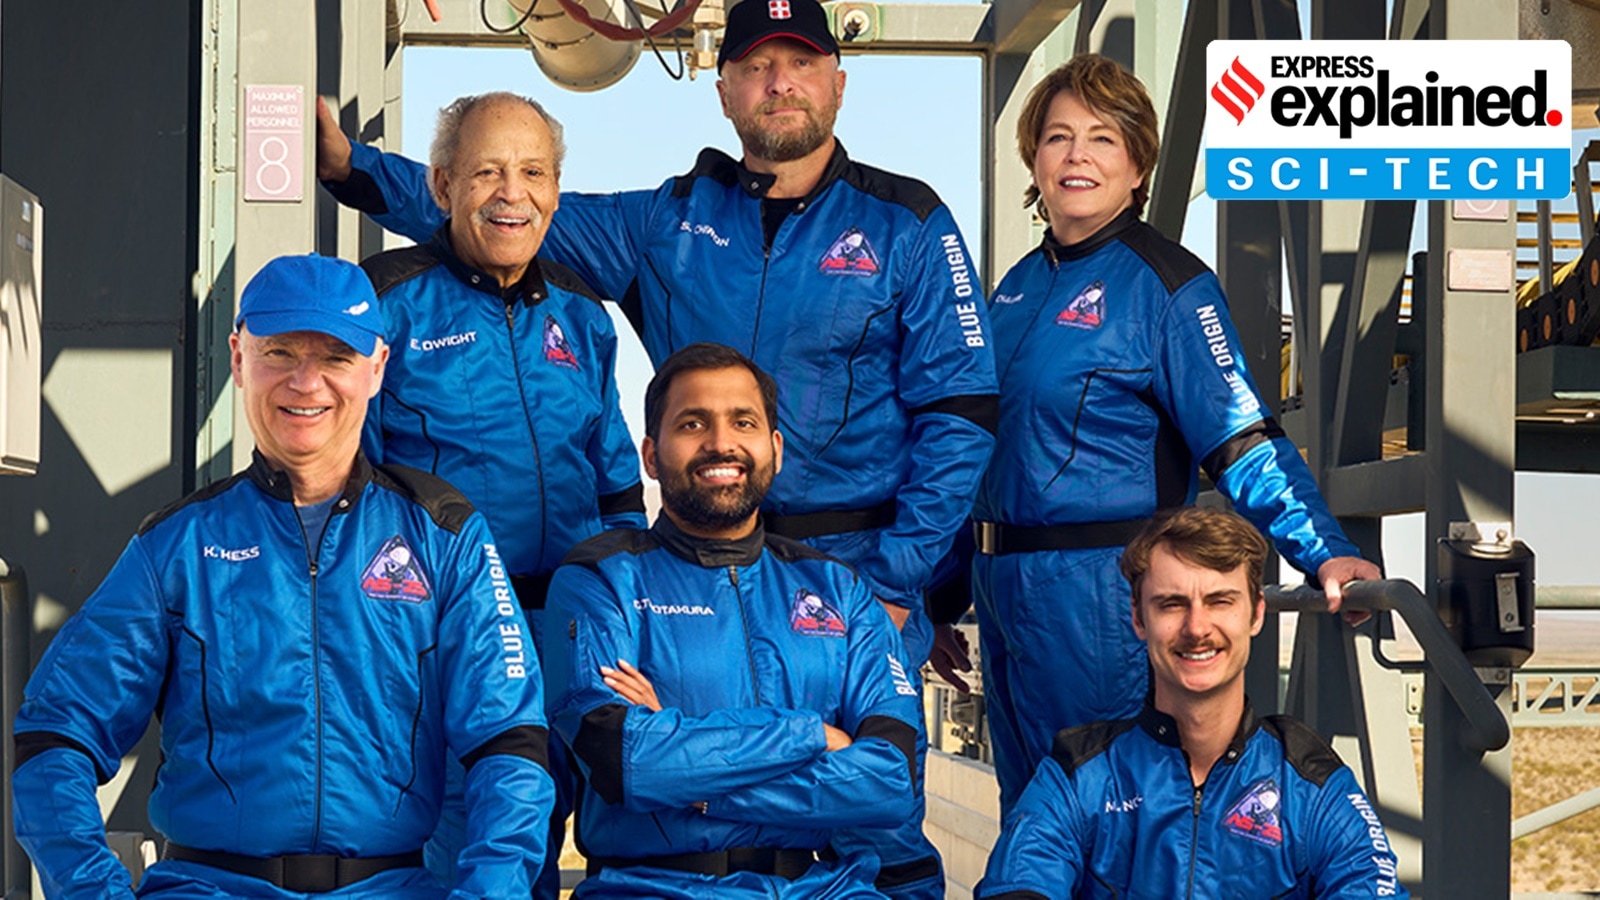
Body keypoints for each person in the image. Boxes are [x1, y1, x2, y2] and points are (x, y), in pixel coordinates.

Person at [316, 2, 996, 891]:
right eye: (756, 65)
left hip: (852, 576)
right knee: (656, 796)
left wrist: (904, 582)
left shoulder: (910, 223)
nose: (779, 82)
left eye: (800, 62)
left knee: (879, 837)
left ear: (838, 81)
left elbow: (965, 411)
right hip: (683, 572)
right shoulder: (666, 223)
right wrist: (356, 170)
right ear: (722, 91)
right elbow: (505, 213)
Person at [11, 254, 554, 897]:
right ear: (239, 359)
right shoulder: (177, 545)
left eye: (335, 358)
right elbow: (55, 735)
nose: (306, 383)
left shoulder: (447, 537)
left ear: (377, 368)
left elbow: (510, 747)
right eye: (281, 353)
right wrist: (96, 891)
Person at [969, 53, 1382, 816]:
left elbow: (1242, 440)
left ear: (1138, 163)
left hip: (1095, 597)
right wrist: (937, 598)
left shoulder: (1168, 287)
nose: (1077, 157)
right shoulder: (1016, 286)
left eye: (1101, 138)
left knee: (1106, 818)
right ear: (1033, 157)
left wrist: (1324, 551)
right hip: (1001, 593)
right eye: (1058, 138)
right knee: (1030, 824)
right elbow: (981, 452)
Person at [356, 90, 646, 896]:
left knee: (553, 820)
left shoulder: (583, 313)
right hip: (447, 632)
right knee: (469, 839)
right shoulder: (386, 303)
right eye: (486, 172)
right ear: (443, 188)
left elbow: (616, 477)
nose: (511, 193)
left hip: (570, 627)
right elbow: (350, 488)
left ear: (556, 189)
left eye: (532, 172)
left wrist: (629, 615)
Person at [543, 342, 922, 898]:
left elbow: (889, 782)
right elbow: (625, 764)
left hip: (824, 887)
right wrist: (811, 734)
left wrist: (693, 778)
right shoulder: (599, 581)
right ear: (651, 455)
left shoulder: (838, 588)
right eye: (693, 423)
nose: (721, 443)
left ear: (775, 448)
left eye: (742, 422)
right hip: (652, 889)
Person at [976, 507, 1408, 899]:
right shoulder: (1078, 775)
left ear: (1256, 614)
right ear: (1138, 619)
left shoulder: (1311, 782)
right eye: (1172, 604)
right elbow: (1019, 883)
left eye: (1221, 601)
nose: (1197, 628)